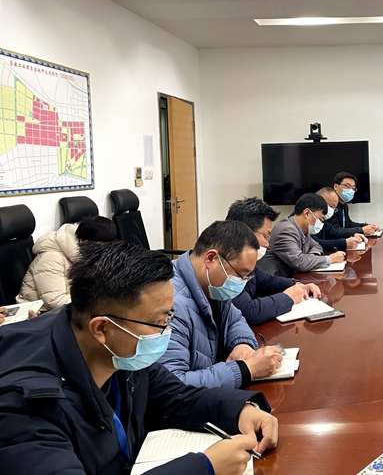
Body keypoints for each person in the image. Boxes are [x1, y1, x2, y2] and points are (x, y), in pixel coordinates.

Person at [0, 241, 278, 475]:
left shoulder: (118, 348)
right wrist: (203, 467)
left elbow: (175, 398)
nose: (166, 331)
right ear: (102, 328)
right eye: (158, 322)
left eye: (169, 317)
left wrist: (240, 411)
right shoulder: (24, 406)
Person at [159, 221, 283, 389]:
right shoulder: (169, 304)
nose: (242, 283)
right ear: (211, 258)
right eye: (240, 275)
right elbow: (173, 386)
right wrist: (247, 370)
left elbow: (235, 319)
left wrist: (242, 344)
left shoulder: (211, 285)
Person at [225, 197, 321, 327]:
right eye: (265, 236)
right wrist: (289, 297)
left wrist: (298, 285)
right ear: (245, 232)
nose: (267, 243)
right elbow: (249, 312)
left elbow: (267, 281)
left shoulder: (246, 260)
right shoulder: (225, 263)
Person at [16, 215, 117, 312]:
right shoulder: (51, 258)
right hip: (38, 313)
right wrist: (99, 298)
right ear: (83, 241)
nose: (104, 251)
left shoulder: (91, 255)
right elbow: (55, 302)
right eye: (100, 247)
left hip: (71, 309)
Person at [258, 193, 346, 278]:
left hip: (291, 277)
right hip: (274, 282)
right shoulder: (286, 230)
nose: (320, 223)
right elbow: (300, 262)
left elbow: (316, 245)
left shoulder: (302, 229)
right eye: (320, 219)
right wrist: (330, 259)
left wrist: (312, 254)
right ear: (307, 213)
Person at [313, 187, 367, 253]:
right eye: (331, 206)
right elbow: (315, 243)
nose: (332, 210)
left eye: (334, 208)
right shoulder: (309, 218)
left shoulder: (323, 220)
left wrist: (354, 234)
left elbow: (334, 232)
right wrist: (344, 243)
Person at [327, 172, 379, 236]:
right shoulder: (330, 205)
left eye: (353, 188)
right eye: (347, 186)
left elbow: (349, 224)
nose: (350, 190)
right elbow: (335, 230)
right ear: (336, 186)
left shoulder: (344, 204)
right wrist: (361, 230)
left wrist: (367, 226)